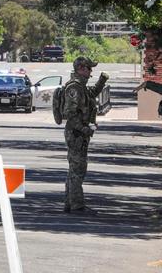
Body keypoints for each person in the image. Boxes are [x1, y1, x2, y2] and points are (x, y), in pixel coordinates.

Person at [62, 56, 108, 214]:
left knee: (75, 168)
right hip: (76, 133)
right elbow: (70, 113)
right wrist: (83, 129)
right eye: (88, 68)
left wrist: (102, 80)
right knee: (78, 169)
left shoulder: (81, 87)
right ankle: (76, 205)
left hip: (79, 133)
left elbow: (92, 93)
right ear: (81, 69)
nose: (90, 71)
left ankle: (70, 203)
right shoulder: (74, 88)